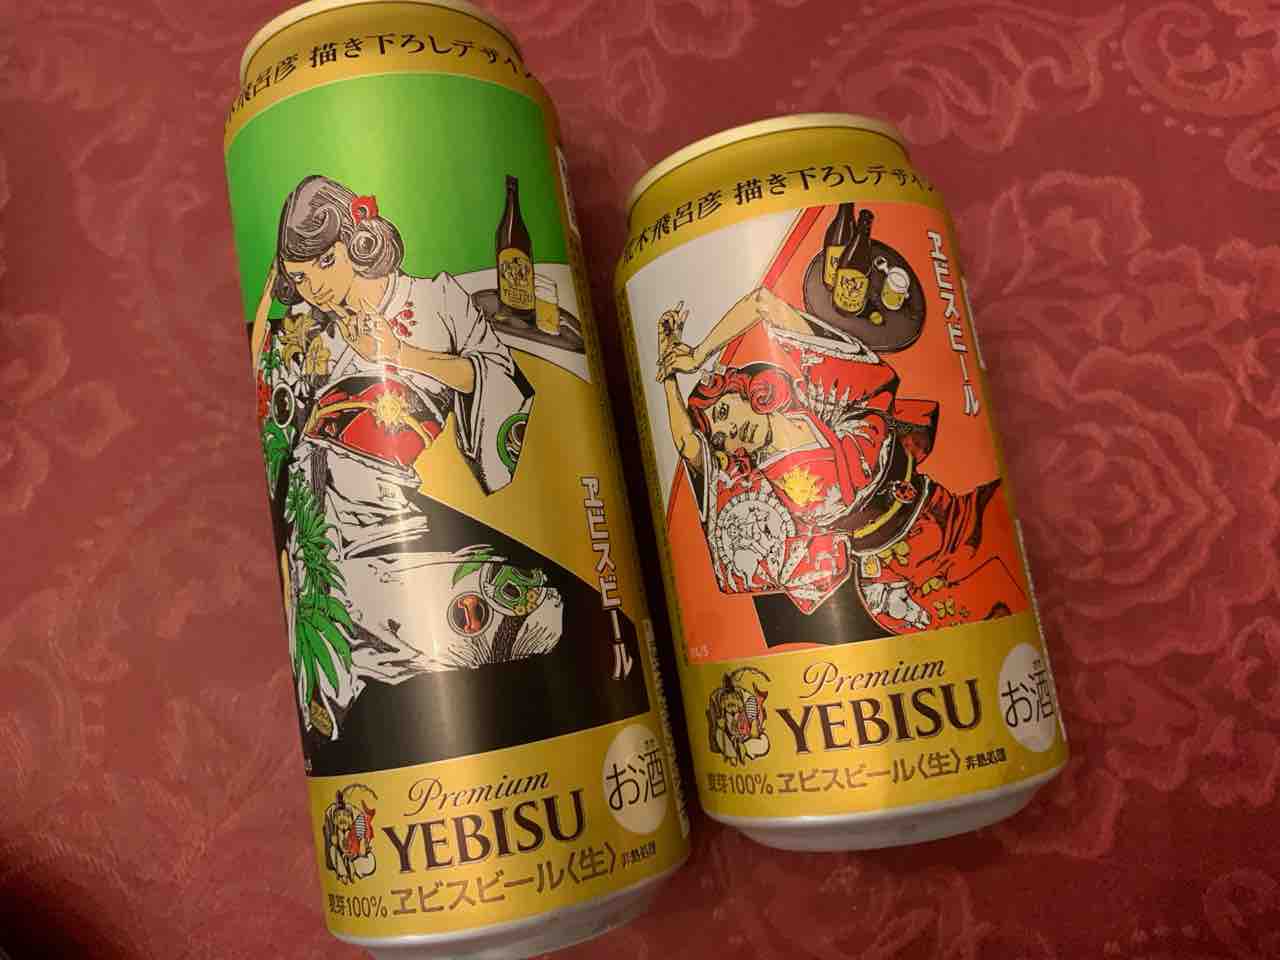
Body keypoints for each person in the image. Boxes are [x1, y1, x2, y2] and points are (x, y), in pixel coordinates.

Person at [255, 175, 552, 740]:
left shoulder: (436, 299)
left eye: (323, 265)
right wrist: (272, 298)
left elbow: (500, 378)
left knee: (492, 614)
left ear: (357, 240)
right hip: (311, 508)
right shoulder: (313, 331)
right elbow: (269, 393)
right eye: (299, 278)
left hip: (381, 501)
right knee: (328, 629)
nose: (314, 288)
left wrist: (400, 353)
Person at [655, 286, 1023, 637]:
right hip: (895, 577)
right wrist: (668, 377)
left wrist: (696, 356)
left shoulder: (825, 399)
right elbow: (687, 442)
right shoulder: (762, 491)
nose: (731, 431)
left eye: (724, 412)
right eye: (720, 438)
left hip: (947, 513)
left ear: (745, 390)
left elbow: (763, 303)